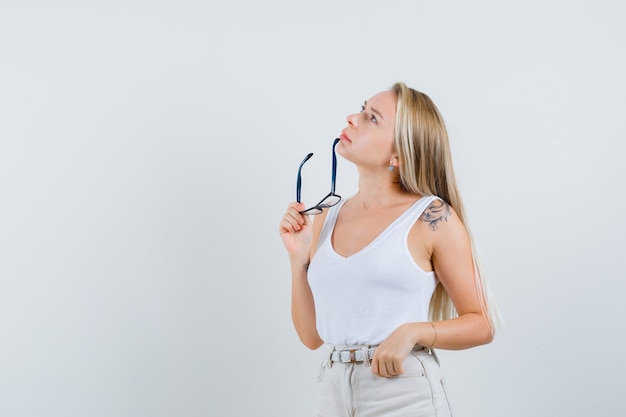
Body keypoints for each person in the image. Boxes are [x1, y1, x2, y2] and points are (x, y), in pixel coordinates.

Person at [279, 82, 498, 417]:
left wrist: (414, 332)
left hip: (402, 393)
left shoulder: (430, 217)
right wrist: (298, 261)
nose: (353, 118)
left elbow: (482, 324)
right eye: (361, 109)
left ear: (398, 154)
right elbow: (311, 337)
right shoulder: (324, 219)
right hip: (332, 393)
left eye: (372, 118)